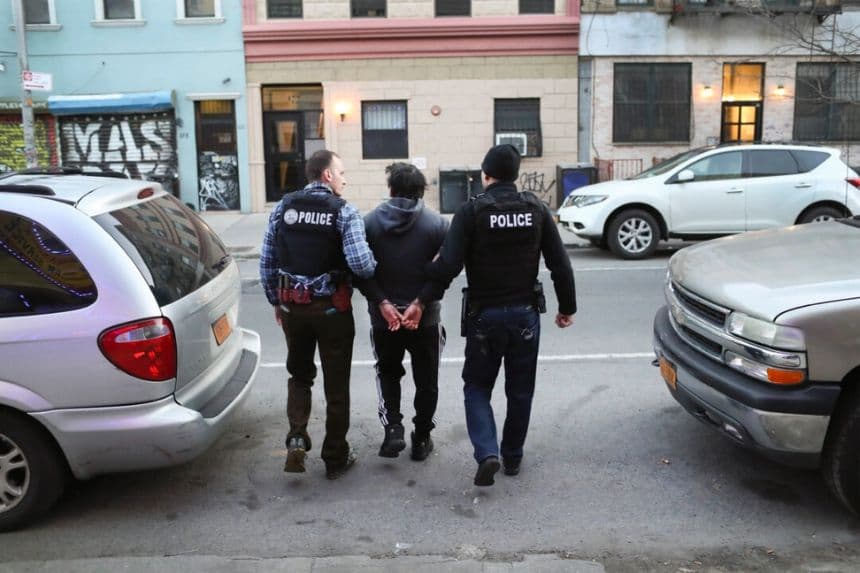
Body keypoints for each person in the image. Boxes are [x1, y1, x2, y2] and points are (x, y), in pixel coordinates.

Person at [419, 144, 576, 487]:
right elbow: (559, 264)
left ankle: (487, 452)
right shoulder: (535, 209)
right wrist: (567, 307)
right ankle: (513, 457)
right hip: (525, 317)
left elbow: (447, 266)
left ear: (484, 175)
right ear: (515, 175)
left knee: (477, 386)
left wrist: (421, 301)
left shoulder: (471, 211)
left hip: (483, 318)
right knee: (520, 390)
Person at [259, 149, 376, 480]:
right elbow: (361, 264)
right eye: (341, 172)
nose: (344, 178)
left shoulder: (283, 207)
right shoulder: (344, 212)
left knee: (299, 374)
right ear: (327, 175)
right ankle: (335, 456)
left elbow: (267, 261)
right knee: (336, 384)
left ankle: (297, 435)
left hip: (293, 309)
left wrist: (276, 302)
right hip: (331, 311)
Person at [357, 162, 449, 462]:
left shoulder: (368, 223)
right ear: (421, 191)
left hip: (384, 321)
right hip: (425, 319)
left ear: (391, 189)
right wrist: (420, 304)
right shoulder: (437, 225)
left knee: (387, 372)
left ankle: (393, 429)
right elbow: (445, 270)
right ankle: (421, 438)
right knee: (427, 380)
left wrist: (382, 302)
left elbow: (358, 270)